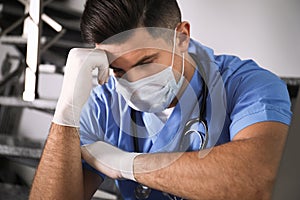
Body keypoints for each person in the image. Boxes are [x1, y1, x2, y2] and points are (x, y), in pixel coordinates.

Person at [29, 0, 292, 200]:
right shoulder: (103, 101)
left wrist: (126, 164)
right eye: (118, 69)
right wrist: (66, 111)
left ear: (181, 37)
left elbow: (259, 179)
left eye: (146, 62)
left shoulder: (247, 85)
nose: (133, 82)